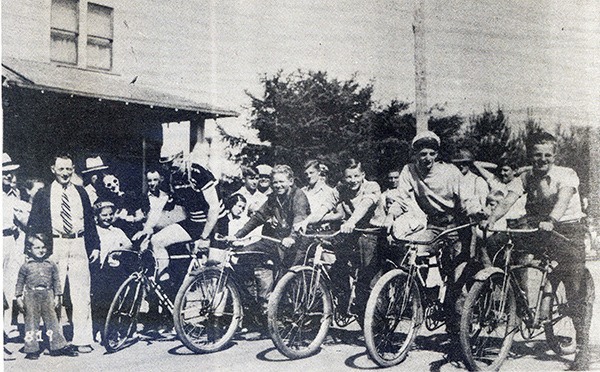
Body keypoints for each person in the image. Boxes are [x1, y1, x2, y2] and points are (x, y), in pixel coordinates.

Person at [483, 132, 593, 370]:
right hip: (538, 227)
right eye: (537, 155)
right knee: (496, 242)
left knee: (574, 289)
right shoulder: (525, 177)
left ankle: (582, 349)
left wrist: (552, 220)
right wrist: (492, 219)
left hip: (567, 230)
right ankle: (515, 301)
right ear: (530, 156)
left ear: (554, 155)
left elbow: (563, 199)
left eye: (547, 155)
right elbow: (507, 199)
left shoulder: (566, 175)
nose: (542, 160)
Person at [396, 132, 483, 338]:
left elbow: (467, 199)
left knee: (457, 281)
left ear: (437, 155)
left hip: (457, 226)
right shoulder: (408, 171)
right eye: (422, 153)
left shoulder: (450, 172)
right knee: (411, 255)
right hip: (433, 225)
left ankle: (461, 335)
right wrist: (390, 218)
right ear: (414, 154)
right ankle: (425, 299)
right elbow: (400, 199)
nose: (427, 158)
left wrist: (476, 212)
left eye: (431, 153)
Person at [28, 152, 100, 353]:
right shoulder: (44, 194)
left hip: (79, 243)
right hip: (55, 246)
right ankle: (54, 340)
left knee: (81, 293)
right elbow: (34, 224)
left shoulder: (81, 192)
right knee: (52, 294)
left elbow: (90, 221)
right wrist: (34, 252)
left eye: (69, 169)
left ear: (73, 169)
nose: (65, 173)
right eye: (61, 169)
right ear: (53, 169)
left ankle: (82, 339)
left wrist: (95, 246)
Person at [134, 150, 225, 279]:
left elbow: (214, 208)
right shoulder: (172, 176)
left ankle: (219, 294)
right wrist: (148, 228)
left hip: (216, 223)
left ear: (181, 158)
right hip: (195, 221)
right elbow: (159, 206)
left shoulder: (197, 172)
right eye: (164, 165)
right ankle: (163, 280)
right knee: (157, 240)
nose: (167, 168)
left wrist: (204, 237)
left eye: (171, 164)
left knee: (214, 269)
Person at [230, 165, 310, 311]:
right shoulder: (273, 198)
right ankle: (255, 303)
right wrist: (237, 236)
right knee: (244, 254)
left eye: (281, 182)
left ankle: (286, 310)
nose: (278, 185)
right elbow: (258, 217)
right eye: (275, 183)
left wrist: (291, 237)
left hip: (297, 241)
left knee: (286, 276)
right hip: (277, 240)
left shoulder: (298, 196)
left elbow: (299, 218)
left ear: (290, 181)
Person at [15, 233, 79, 360]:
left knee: (52, 321)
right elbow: (20, 282)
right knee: (31, 323)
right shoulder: (25, 266)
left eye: (43, 247)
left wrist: (57, 296)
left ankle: (57, 346)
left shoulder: (51, 265)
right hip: (31, 296)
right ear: (29, 249)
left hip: (48, 295)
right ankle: (32, 349)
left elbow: (56, 281)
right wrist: (18, 297)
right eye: (37, 248)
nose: (41, 250)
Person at [91, 200, 132, 340]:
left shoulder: (117, 231)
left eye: (110, 214)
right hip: (100, 271)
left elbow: (129, 245)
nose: (108, 218)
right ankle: (100, 329)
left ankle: (113, 331)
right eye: (104, 215)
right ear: (97, 216)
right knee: (101, 301)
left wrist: (120, 250)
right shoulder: (95, 231)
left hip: (116, 270)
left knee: (116, 300)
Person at [3, 153, 25, 339]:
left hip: (12, 241)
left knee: (10, 284)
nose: (10, 177)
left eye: (11, 173)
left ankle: (7, 326)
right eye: (5, 173)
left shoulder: (14, 194)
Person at [100, 172, 149, 238]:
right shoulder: (105, 201)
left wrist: (130, 218)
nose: (114, 185)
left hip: (134, 231)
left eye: (115, 181)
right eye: (109, 185)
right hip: (116, 234)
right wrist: (116, 218)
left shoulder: (130, 196)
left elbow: (140, 216)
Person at [300, 159, 343, 229]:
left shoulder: (330, 191)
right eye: (306, 174)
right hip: (305, 231)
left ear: (319, 172)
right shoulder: (301, 192)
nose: (309, 176)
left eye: (311, 173)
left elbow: (340, 214)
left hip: (325, 232)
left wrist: (320, 218)